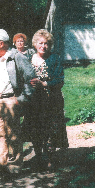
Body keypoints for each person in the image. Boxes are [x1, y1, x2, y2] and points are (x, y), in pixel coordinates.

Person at [0, 29, 35, 174]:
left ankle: (16, 163)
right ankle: (1, 164)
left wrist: (21, 99)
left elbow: (31, 79)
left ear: (1, 44)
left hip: (10, 100)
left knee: (13, 134)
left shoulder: (17, 57)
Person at [24, 29, 69, 169]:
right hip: (34, 102)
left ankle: (50, 159)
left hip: (51, 101)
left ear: (50, 45)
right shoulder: (29, 59)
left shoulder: (55, 59)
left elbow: (60, 80)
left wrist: (44, 83)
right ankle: (38, 158)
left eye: (46, 43)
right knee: (36, 129)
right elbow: (23, 77)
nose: (43, 46)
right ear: (35, 44)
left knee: (51, 130)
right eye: (40, 43)